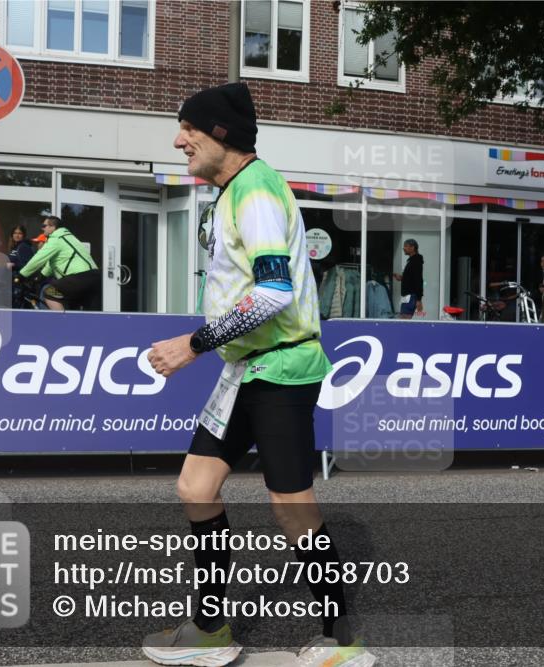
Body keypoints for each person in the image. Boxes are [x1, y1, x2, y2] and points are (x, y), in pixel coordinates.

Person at [143, 83, 375, 667]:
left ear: (220, 134)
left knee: (291, 505)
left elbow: (273, 293)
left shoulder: (257, 192)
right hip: (245, 367)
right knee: (196, 488)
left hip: (283, 369)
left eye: (188, 132)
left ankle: (342, 641)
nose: (178, 141)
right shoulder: (231, 192)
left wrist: (193, 345)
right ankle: (211, 630)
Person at [17, 216, 100, 311]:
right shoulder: (68, 237)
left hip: (80, 277)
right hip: (94, 277)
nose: (42, 228)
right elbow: (52, 263)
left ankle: (61, 323)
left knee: (49, 292)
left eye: (44, 226)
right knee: (79, 309)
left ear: (52, 227)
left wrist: (21, 275)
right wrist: (40, 277)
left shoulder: (56, 238)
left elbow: (38, 258)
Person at [392, 238, 423, 318]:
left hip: (410, 297)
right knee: (403, 321)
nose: (403, 248)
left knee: (404, 321)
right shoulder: (411, 261)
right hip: (407, 297)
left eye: (406, 246)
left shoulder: (416, 261)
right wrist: (402, 277)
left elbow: (418, 280)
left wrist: (419, 300)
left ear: (412, 248)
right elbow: (412, 278)